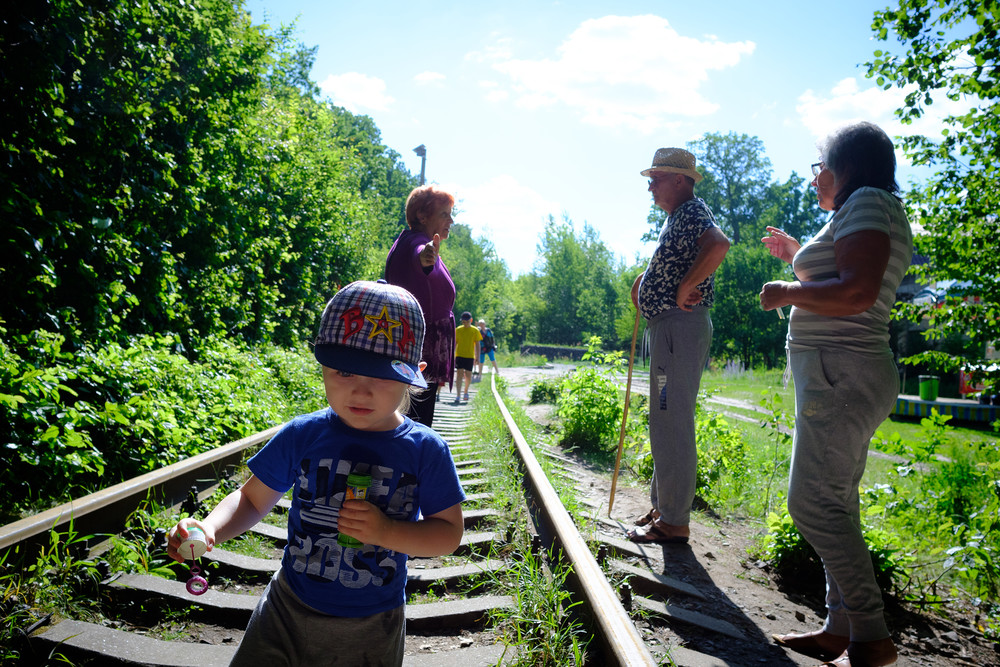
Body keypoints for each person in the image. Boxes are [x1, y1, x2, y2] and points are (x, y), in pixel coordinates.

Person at [167, 280, 466, 667]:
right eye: (343, 372)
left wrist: (386, 533)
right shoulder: (304, 434)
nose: (360, 391)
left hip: (372, 624)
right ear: (322, 365)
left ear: (414, 373)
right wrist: (210, 528)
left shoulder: (425, 449)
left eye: (379, 376)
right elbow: (252, 498)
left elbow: (448, 533)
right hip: (287, 608)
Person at [760, 121, 912, 667]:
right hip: (839, 372)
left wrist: (785, 291)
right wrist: (800, 255)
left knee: (812, 503)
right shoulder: (863, 209)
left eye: (818, 165)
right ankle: (838, 629)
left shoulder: (867, 201)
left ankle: (871, 637)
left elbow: (856, 291)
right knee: (836, 502)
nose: (814, 179)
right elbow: (846, 273)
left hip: (840, 372)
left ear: (844, 166)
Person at [625, 147, 730, 545]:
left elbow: (718, 245)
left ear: (679, 180)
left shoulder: (691, 211)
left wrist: (686, 286)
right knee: (665, 419)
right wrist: (648, 279)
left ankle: (673, 521)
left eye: (656, 178)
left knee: (671, 419)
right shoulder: (679, 218)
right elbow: (680, 260)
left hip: (678, 330)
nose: (650, 186)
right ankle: (664, 509)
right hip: (669, 330)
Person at [384, 185, 457, 428]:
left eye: (451, 214)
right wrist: (425, 256)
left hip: (416, 351)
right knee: (415, 421)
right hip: (418, 355)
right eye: (444, 214)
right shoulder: (417, 243)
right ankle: (409, 465)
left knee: (412, 419)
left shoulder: (410, 241)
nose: (451, 220)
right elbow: (420, 258)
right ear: (422, 216)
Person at [453, 311, 481, 402]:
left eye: (467, 322)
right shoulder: (458, 330)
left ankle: (465, 391)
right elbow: (454, 343)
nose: (465, 324)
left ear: (471, 320)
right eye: (463, 322)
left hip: (470, 356)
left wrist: (478, 357)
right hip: (460, 355)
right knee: (459, 375)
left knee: (468, 376)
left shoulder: (475, 330)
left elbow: (477, 344)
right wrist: (452, 356)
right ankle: (458, 395)